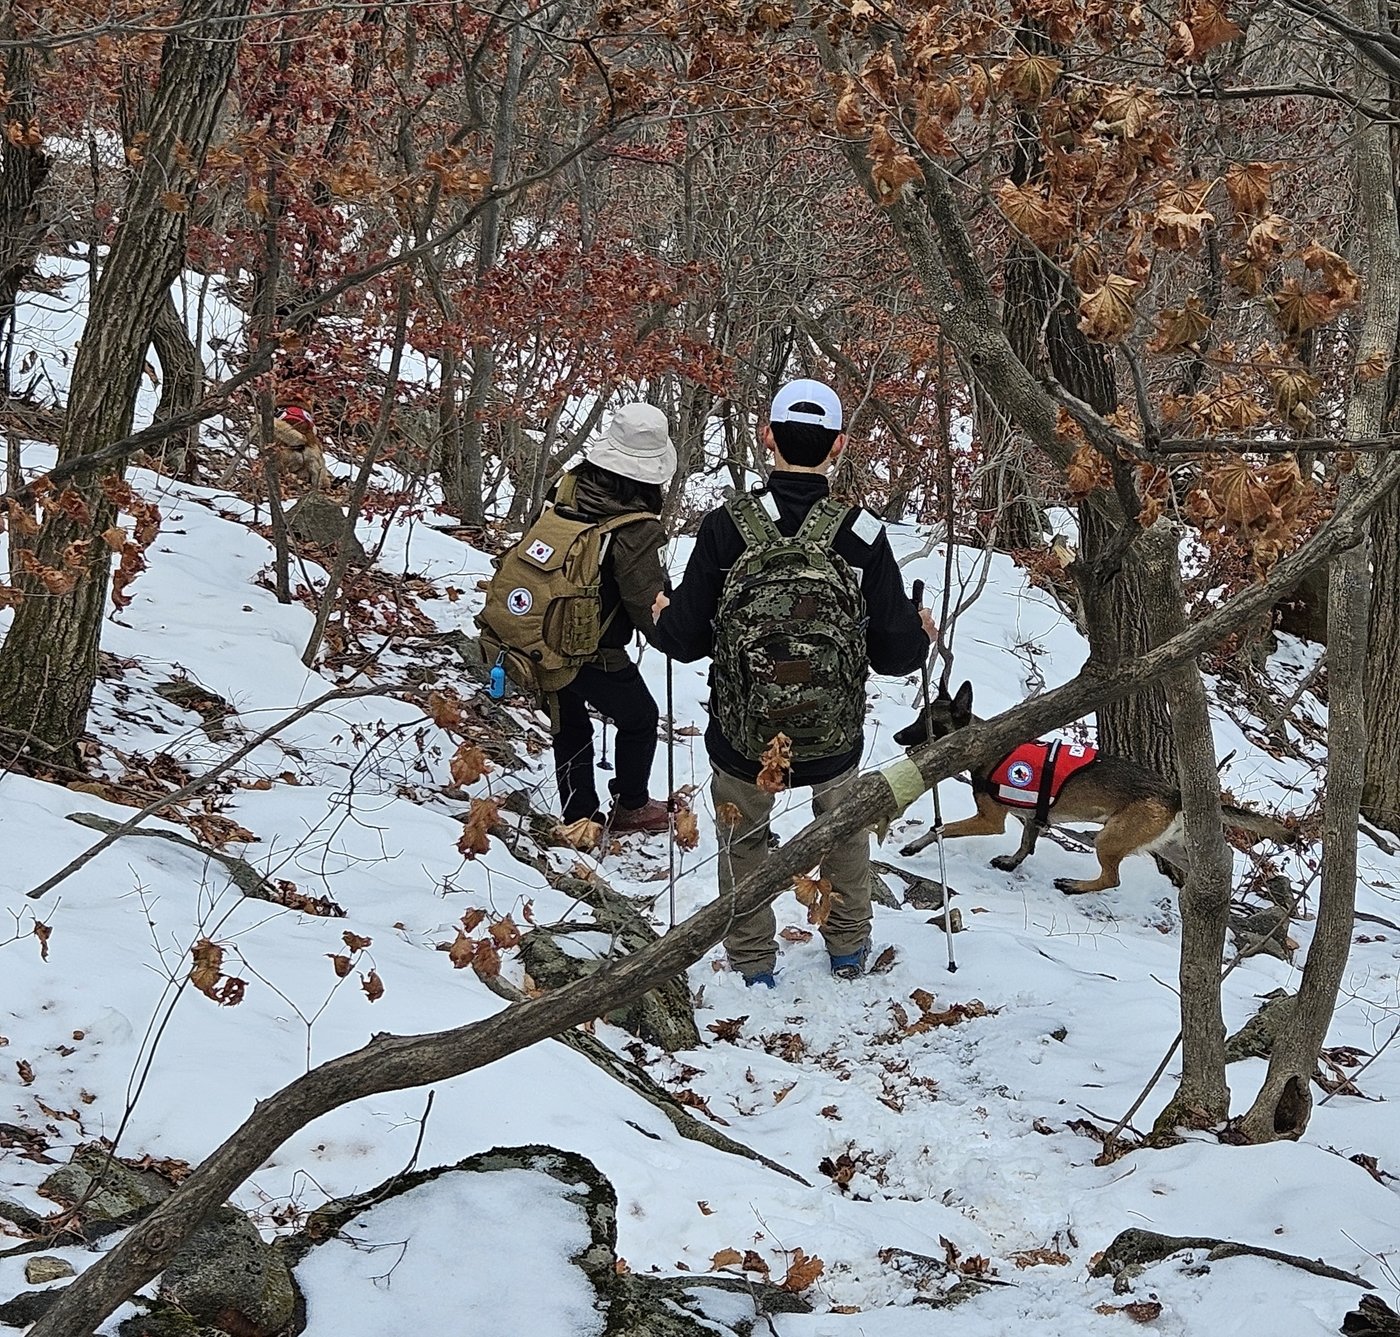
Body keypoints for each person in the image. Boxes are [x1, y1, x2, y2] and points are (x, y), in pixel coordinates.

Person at [650, 379, 935, 985]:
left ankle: (754, 962)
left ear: (767, 437)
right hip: (832, 741)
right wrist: (920, 632)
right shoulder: (860, 533)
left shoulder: (726, 528)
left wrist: (662, 617)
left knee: (744, 840)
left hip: (741, 736)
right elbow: (895, 658)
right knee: (845, 834)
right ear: (838, 446)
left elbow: (685, 640)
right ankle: (848, 950)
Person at [550, 403, 675, 835]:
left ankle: (578, 815)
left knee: (569, 724)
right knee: (640, 718)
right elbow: (645, 604)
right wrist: (674, 632)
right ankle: (631, 805)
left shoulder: (568, 486)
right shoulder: (635, 526)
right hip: (594, 646)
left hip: (543, 631)